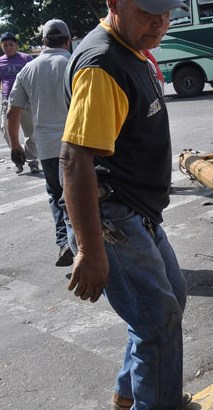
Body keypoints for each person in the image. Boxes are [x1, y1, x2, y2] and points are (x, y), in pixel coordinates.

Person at [60, 0, 192, 408]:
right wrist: (90, 249)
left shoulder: (132, 49)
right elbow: (74, 159)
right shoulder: (103, 66)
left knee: (172, 299)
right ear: (114, 3)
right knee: (156, 321)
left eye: (167, 12)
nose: (159, 22)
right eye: (147, 11)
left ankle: (128, 392)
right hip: (113, 216)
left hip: (140, 211)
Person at [7, 19, 74, 267]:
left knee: (57, 195)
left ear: (43, 42)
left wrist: (15, 146)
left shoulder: (28, 70)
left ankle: (65, 243)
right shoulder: (76, 64)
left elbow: (12, 112)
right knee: (85, 195)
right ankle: (87, 243)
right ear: (67, 40)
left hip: (46, 148)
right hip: (79, 144)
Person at [0, 31, 39, 174]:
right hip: (7, 101)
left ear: (16, 45)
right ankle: (18, 159)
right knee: (6, 131)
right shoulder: (1, 61)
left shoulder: (26, 59)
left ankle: (33, 161)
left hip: (25, 101)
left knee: (30, 131)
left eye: (11, 44)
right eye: (5, 45)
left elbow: (34, 78)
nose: (8, 47)